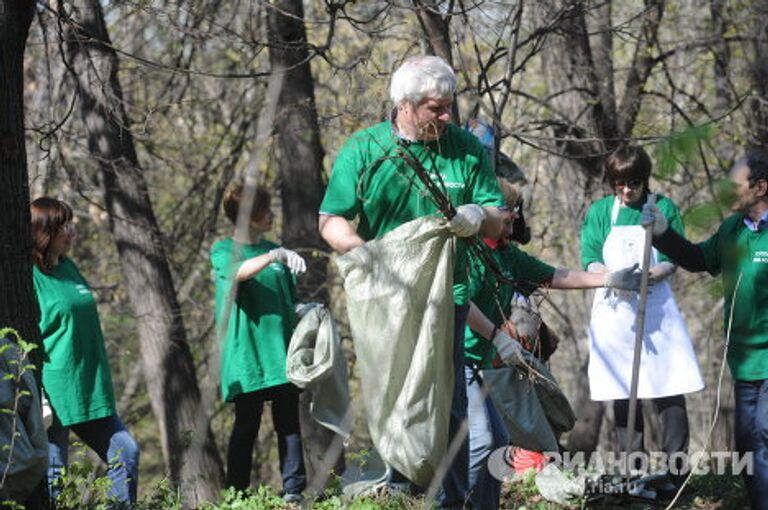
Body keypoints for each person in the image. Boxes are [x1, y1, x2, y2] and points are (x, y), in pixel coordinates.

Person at [318, 55, 508, 508]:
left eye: (448, 107)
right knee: (400, 407)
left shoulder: (465, 148)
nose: (445, 117)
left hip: (450, 299)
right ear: (404, 105)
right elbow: (331, 220)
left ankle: (451, 501)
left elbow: (499, 220)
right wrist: (367, 253)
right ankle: (402, 492)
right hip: (388, 302)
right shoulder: (366, 150)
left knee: (453, 411)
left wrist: (479, 215)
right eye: (434, 109)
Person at [464, 178, 644, 510]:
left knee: (540, 429)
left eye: (515, 211)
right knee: (481, 442)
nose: (515, 218)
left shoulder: (508, 256)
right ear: (485, 212)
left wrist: (608, 279)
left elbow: (555, 276)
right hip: (467, 364)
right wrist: (497, 336)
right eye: (508, 210)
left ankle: (538, 479)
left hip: (501, 362)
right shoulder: (467, 254)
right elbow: (461, 303)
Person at [643, 152, 768, 509]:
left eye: (735, 185)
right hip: (744, 362)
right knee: (746, 442)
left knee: (764, 433)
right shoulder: (732, 229)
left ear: (761, 187)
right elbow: (698, 259)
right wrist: (663, 234)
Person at [581, 145, 704, 487]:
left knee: (670, 386)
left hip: (657, 311)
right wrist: (609, 274)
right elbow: (589, 255)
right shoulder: (601, 212)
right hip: (615, 310)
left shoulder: (661, 207)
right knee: (623, 390)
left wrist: (659, 271)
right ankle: (632, 469)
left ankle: (677, 473)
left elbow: (676, 253)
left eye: (632, 183)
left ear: (645, 179)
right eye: (618, 183)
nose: (625, 190)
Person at [31, 197, 140, 505]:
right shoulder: (30, 275)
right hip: (53, 393)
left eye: (71, 224)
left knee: (126, 453)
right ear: (43, 231)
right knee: (55, 480)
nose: (72, 231)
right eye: (63, 226)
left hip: (89, 390)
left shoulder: (69, 267)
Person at [211, 183, 307, 502]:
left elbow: (287, 301)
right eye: (265, 210)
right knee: (246, 427)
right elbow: (239, 273)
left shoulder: (276, 253)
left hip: (281, 354)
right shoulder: (224, 250)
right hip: (246, 356)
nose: (272, 214)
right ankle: (237, 496)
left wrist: (305, 311)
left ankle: (293, 491)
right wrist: (272, 256)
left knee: (289, 425)